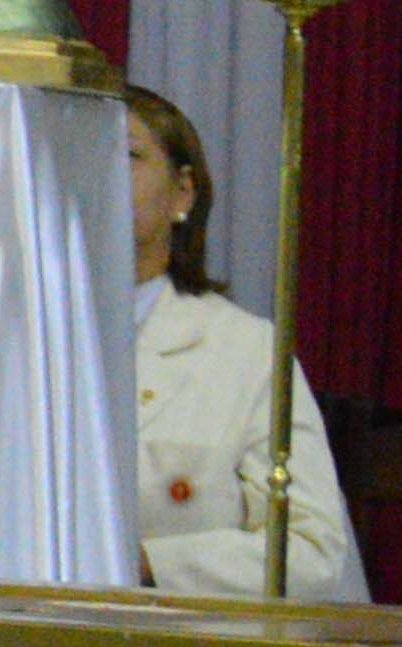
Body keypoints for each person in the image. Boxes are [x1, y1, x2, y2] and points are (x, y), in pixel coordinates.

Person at [123, 83, 364, 602]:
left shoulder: (244, 352)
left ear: (183, 192)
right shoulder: (2, 338)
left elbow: (312, 553)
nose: (99, 171)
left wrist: (145, 563)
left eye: (127, 155)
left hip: (183, 641)